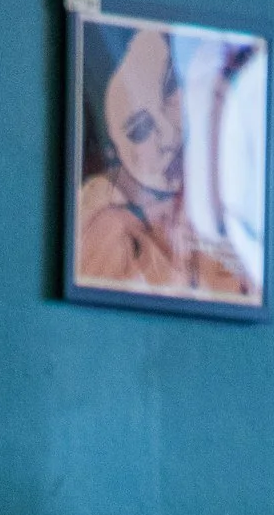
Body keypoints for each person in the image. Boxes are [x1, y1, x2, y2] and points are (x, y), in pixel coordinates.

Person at [73, 20, 261, 306]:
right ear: (116, 155)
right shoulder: (106, 224)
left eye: (170, 90)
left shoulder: (234, 186)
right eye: (140, 129)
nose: (169, 135)